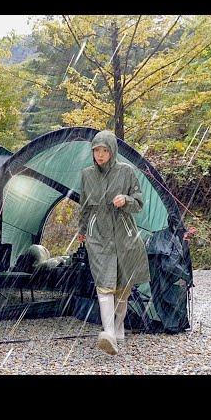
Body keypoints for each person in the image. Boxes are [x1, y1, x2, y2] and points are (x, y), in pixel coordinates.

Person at [77, 130, 150, 355]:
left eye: (104, 150)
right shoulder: (87, 175)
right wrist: (82, 230)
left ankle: (118, 328)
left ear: (112, 151)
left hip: (124, 234)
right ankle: (107, 332)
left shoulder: (127, 172)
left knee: (122, 289)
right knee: (104, 284)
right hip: (98, 234)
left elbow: (138, 204)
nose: (100, 155)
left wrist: (125, 200)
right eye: (96, 150)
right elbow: (85, 206)